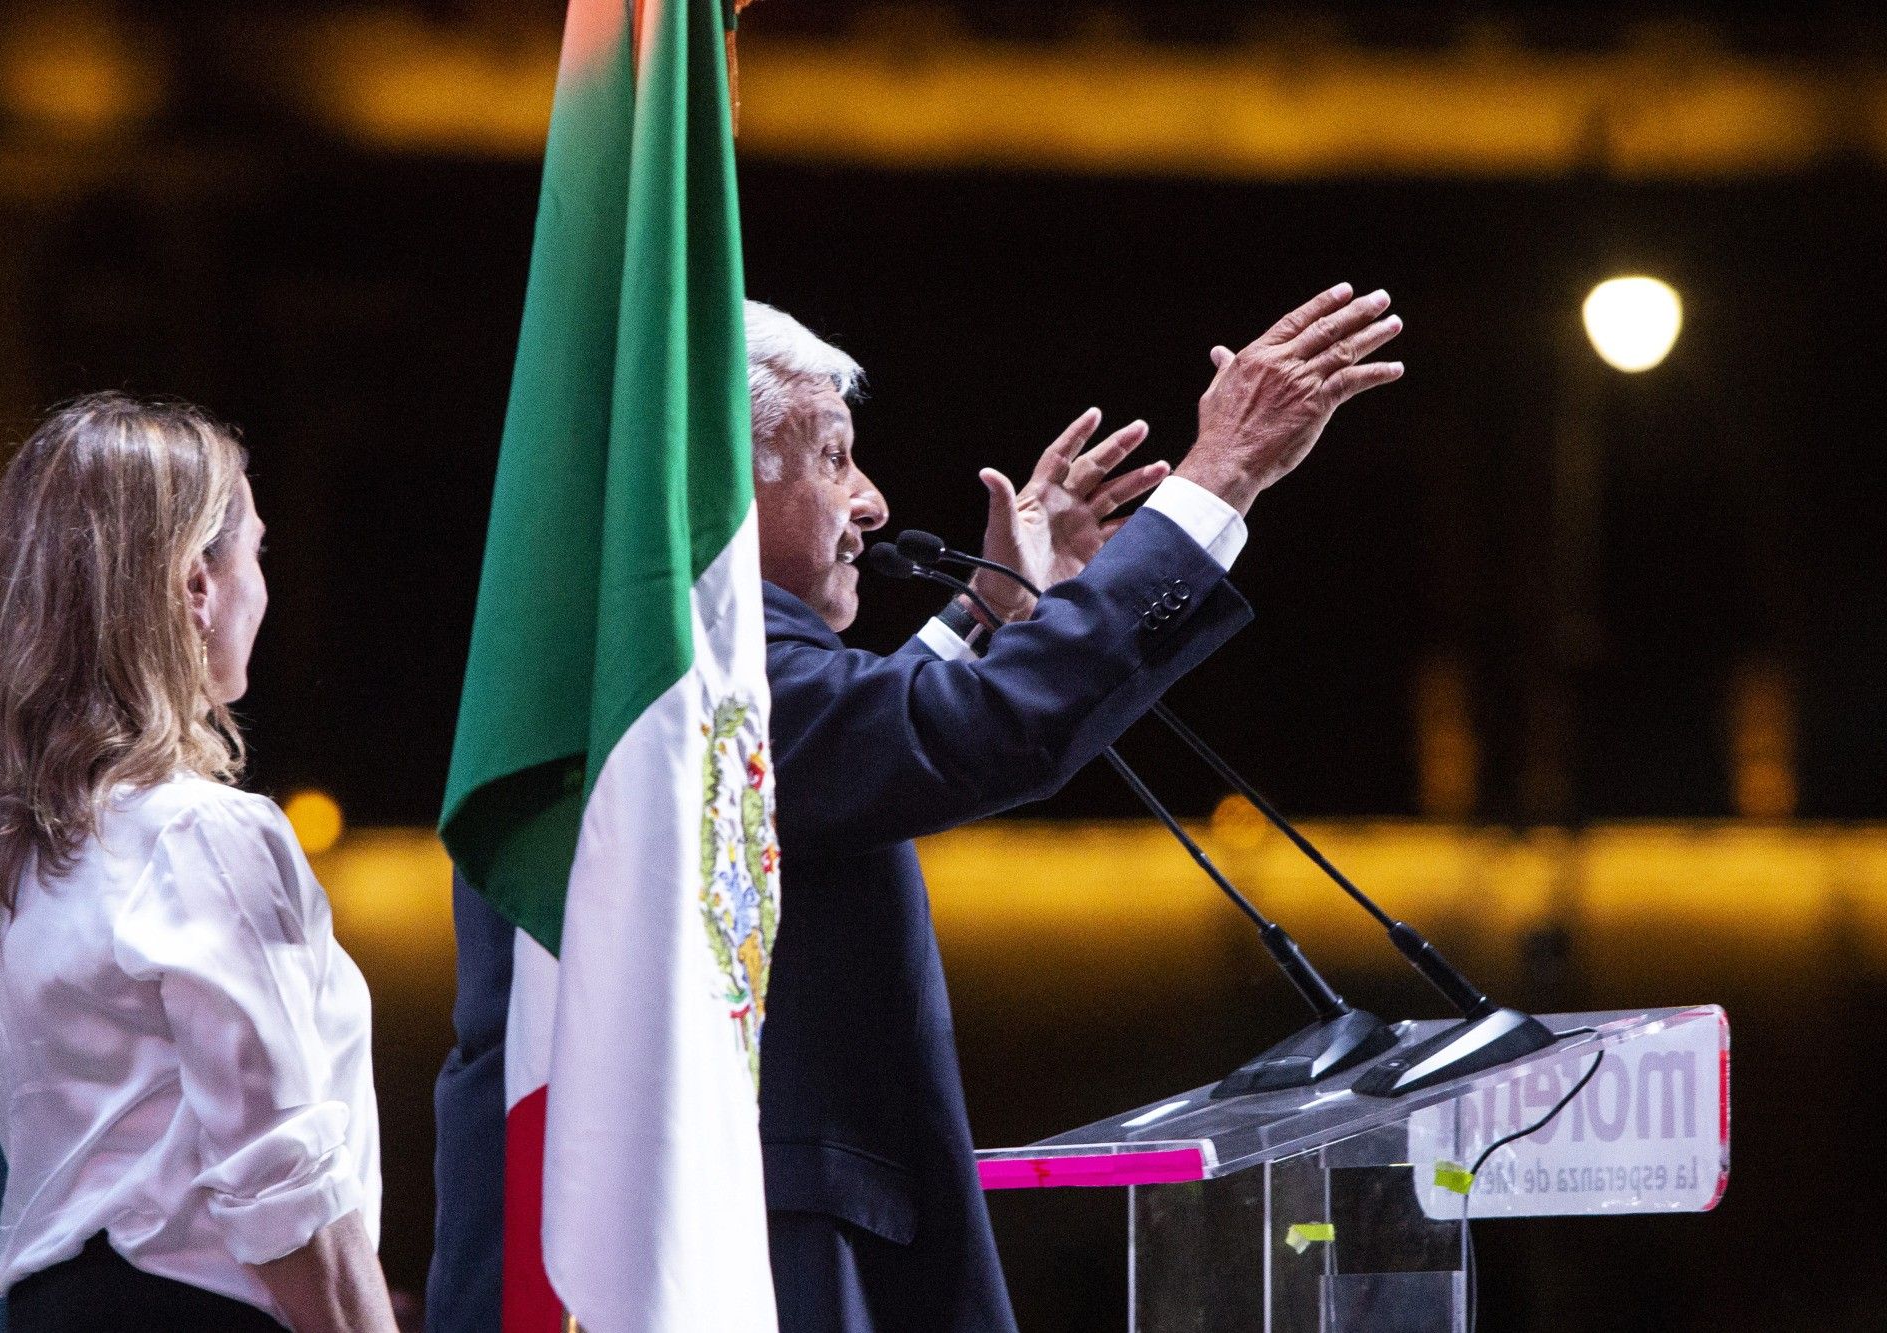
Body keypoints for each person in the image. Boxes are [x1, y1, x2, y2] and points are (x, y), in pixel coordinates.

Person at [430, 284, 1401, 1331]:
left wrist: (991, 614)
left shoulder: (660, 671)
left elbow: (841, 752)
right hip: (736, 1257)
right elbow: (943, 733)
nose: (872, 501)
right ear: (715, 482)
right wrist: (1217, 481)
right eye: (832, 456)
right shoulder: (671, 683)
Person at [0, 394, 396, 1333]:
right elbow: (284, 1188)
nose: (266, 584)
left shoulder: (8, 862)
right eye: (256, 549)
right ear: (195, 584)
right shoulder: (202, 834)